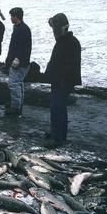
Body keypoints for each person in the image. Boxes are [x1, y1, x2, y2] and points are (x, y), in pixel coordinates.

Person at [42, 13, 82, 148]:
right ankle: (59, 135)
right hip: (58, 80)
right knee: (59, 108)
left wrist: (63, 80)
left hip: (63, 81)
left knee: (57, 107)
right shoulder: (63, 41)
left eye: (55, 28)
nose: (53, 31)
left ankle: (57, 138)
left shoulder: (71, 42)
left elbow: (71, 66)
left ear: (62, 27)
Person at [4, 7, 32, 116]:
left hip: (20, 62)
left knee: (14, 84)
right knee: (18, 83)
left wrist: (17, 59)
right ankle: (18, 104)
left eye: (12, 16)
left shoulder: (23, 29)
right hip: (21, 61)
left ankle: (16, 107)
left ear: (17, 16)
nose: (11, 18)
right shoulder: (19, 28)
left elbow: (23, 46)